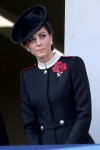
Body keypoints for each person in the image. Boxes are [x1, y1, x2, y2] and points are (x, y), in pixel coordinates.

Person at [10, 5, 94, 144]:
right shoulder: (26, 76)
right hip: (46, 145)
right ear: (27, 47)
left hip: (76, 144)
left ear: (51, 37)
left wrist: (68, 149)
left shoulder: (73, 65)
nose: (38, 43)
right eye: (31, 40)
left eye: (42, 36)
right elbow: (30, 125)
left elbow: (84, 114)